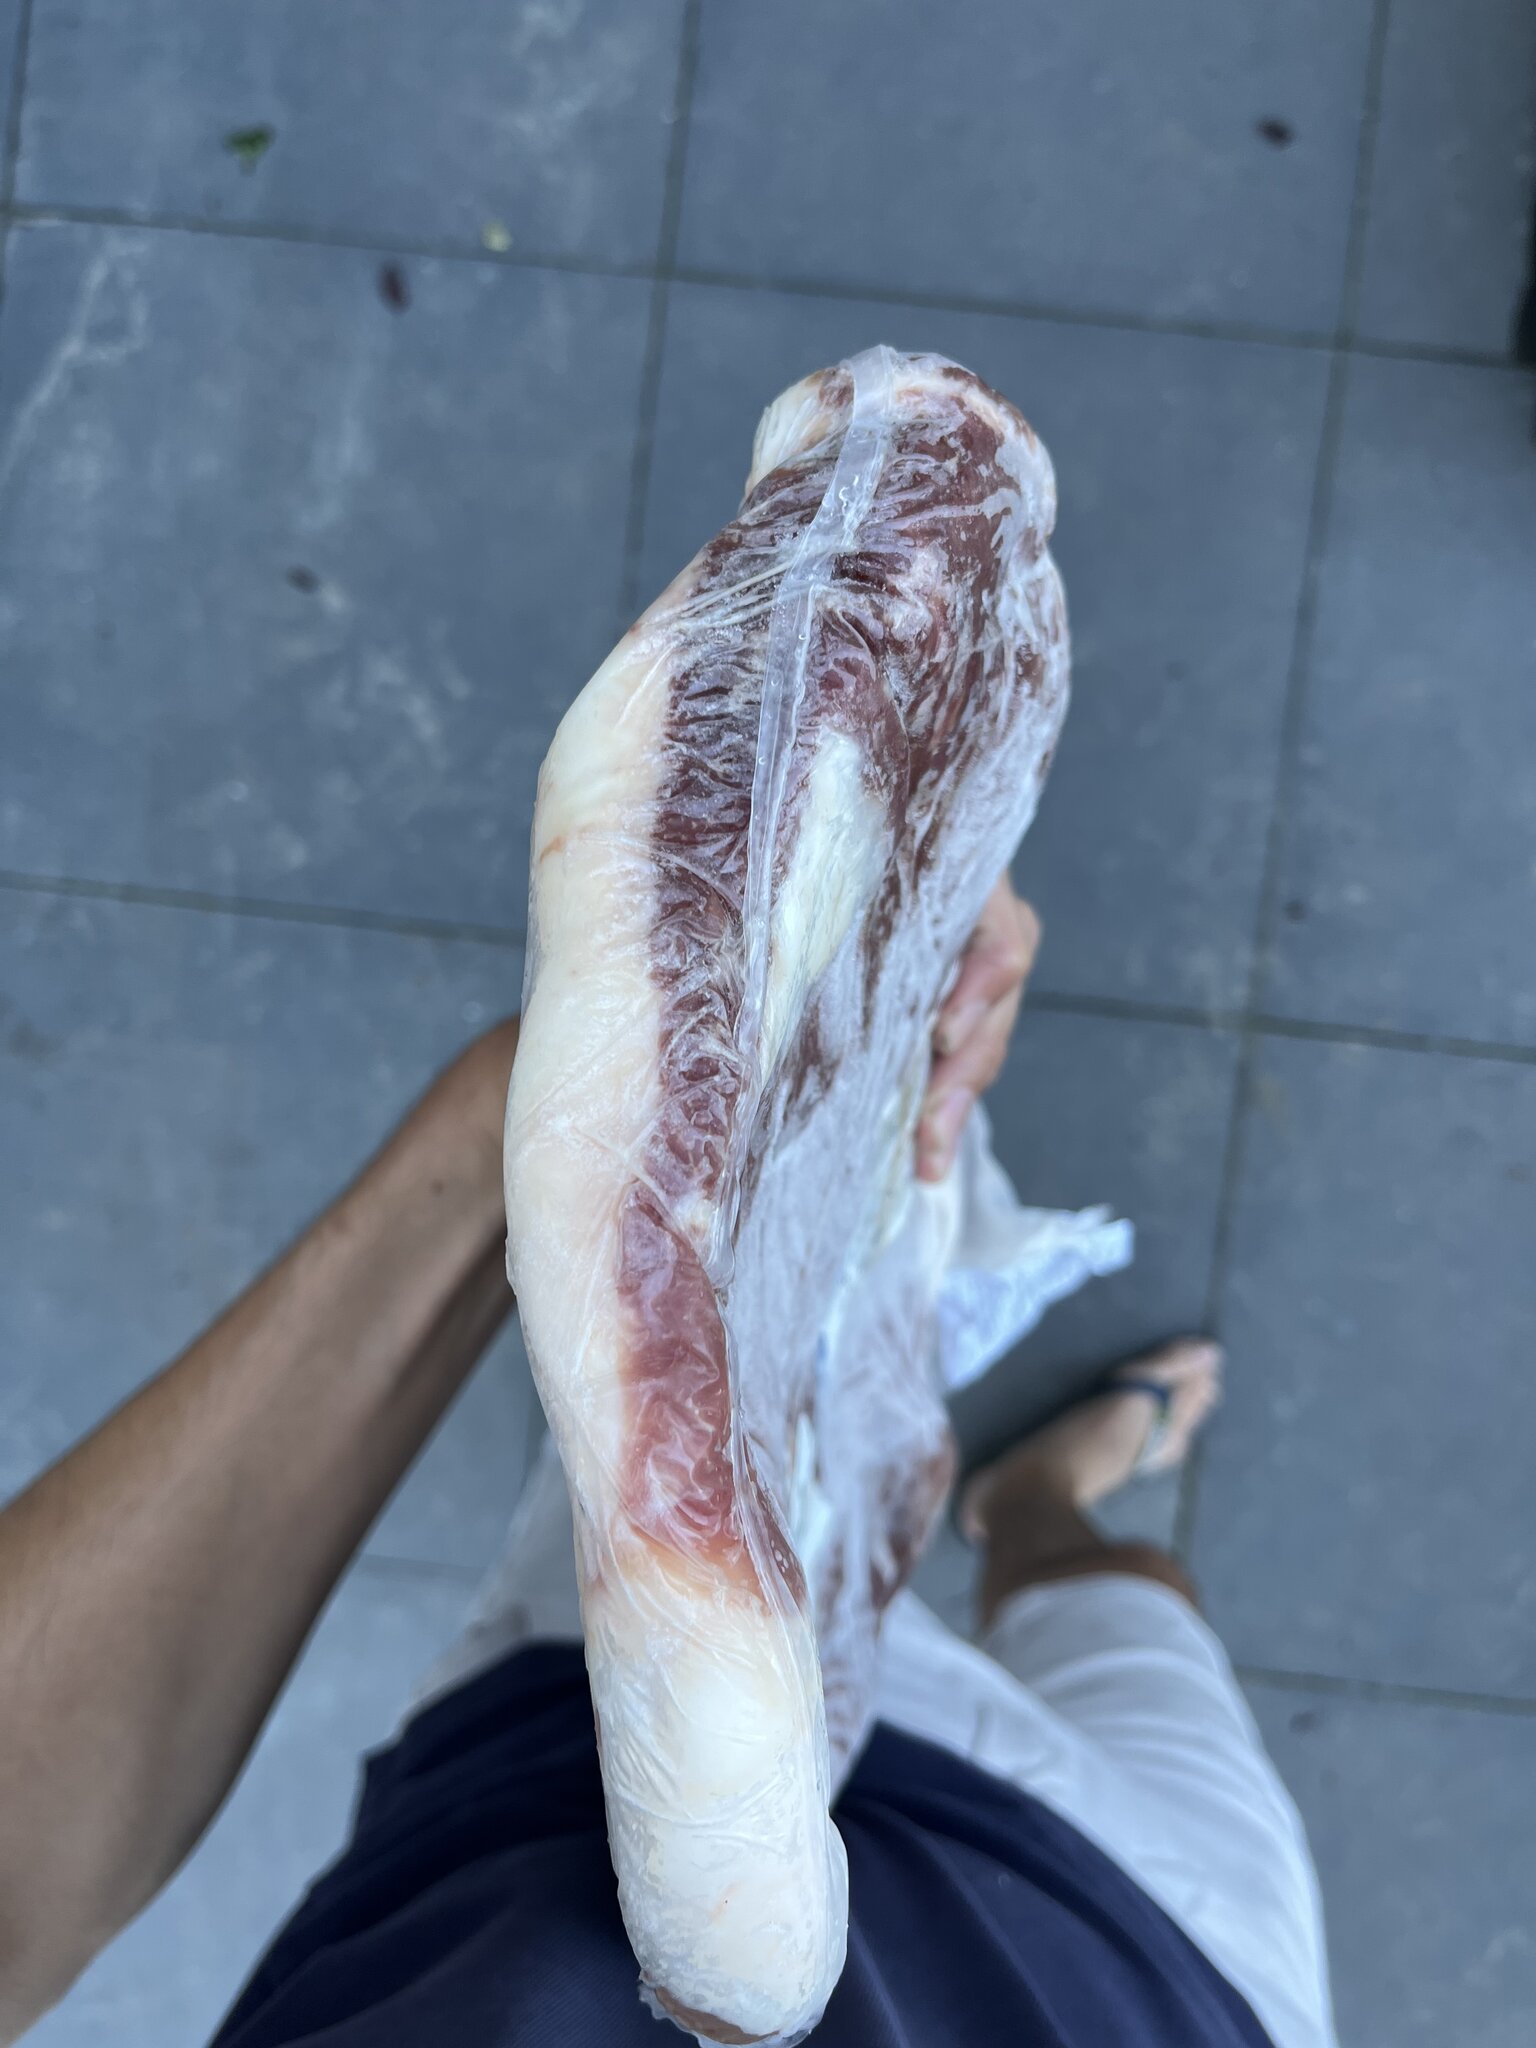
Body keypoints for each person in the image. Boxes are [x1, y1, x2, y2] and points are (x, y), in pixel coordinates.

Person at [0, 880, 1336, 2048]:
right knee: (1135, 1597)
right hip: (1161, 1952)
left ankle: (1021, 1498)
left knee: (788, 1290)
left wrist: (546, 1121)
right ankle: (1032, 1501)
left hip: (599, 1735)